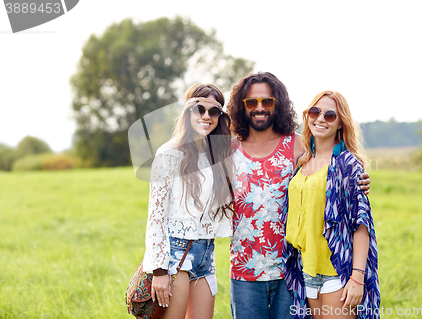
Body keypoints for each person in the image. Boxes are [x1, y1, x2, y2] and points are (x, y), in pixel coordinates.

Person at [227, 72, 372, 319]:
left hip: (291, 271)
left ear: (278, 104)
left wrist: (361, 179)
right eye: (251, 102)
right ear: (241, 107)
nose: (259, 108)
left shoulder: (296, 146)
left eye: (267, 101)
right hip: (246, 272)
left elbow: (338, 177)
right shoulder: (230, 149)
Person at [280, 91, 380, 319]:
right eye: (314, 112)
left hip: (338, 272)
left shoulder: (347, 164)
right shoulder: (302, 163)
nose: (320, 119)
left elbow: (361, 224)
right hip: (306, 271)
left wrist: (357, 278)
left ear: (340, 123)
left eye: (330, 115)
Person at [143, 83, 233, 319]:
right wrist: (160, 271)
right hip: (175, 255)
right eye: (199, 109)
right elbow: (155, 216)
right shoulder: (168, 153)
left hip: (206, 255)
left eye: (213, 111)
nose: (206, 116)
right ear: (187, 111)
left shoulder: (217, 154)